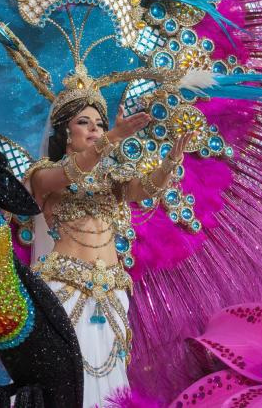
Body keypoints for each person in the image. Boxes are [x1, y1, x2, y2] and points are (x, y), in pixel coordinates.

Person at [26, 70, 193, 406]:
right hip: (65, 286)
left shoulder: (110, 176)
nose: (95, 130)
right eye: (84, 123)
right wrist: (112, 138)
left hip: (113, 288)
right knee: (70, 375)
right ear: (66, 133)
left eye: (99, 124)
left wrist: (172, 159)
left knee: (111, 377)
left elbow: (146, 188)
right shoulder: (43, 173)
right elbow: (72, 172)